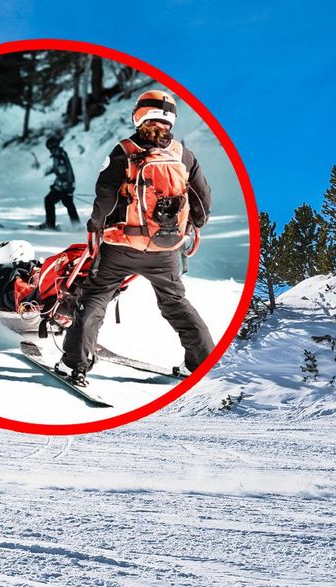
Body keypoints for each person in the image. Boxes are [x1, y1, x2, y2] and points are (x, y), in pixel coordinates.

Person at [59, 89, 214, 387]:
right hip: (166, 248)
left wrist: (95, 227)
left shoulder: (124, 151)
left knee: (95, 297)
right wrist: (193, 226)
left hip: (121, 247)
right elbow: (202, 201)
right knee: (175, 302)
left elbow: (104, 197)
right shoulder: (183, 155)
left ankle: (74, 364)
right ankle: (201, 362)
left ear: (139, 114)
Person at [38, 135, 80, 230]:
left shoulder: (58, 156)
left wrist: (57, 186)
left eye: (49, 146)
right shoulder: (60, 153)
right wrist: (52, 170)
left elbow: (64, 174)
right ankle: (76, 225)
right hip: (68, 185)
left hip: (65, 186)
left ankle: (50, 225)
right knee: (68, 203)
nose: (48, 149)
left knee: (48, 200)